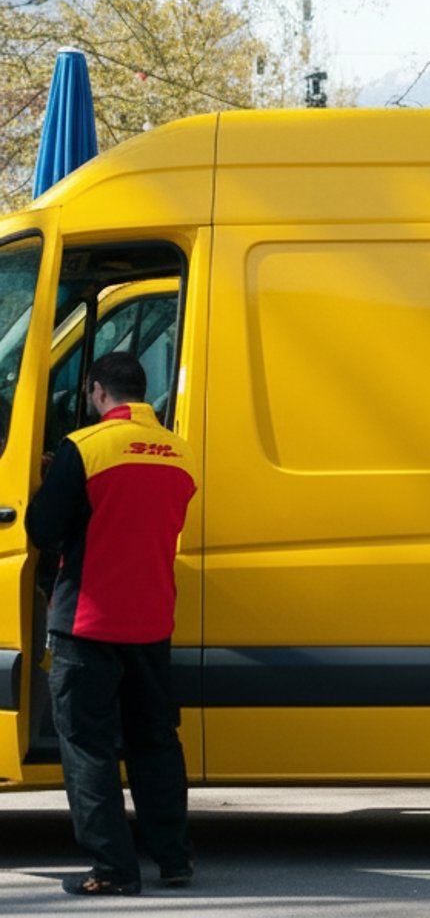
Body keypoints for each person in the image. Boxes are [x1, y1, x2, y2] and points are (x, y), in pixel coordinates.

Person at [25, 353, 198, 896]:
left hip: (89, 621)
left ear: (99, 391)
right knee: (155, 740)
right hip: (151, 619)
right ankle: (173, 859)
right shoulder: (182, 453)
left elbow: (42, 527)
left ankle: (113, 869)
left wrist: (57, 483)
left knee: (88, 744)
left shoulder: (85, 447)